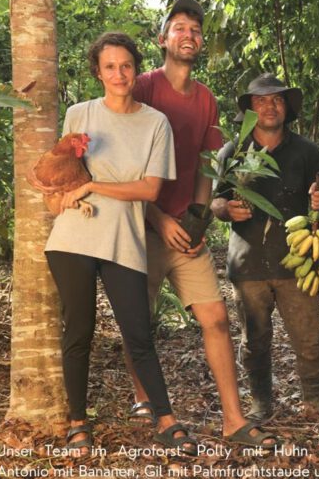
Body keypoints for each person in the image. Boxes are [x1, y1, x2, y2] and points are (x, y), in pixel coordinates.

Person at [125, 0, 276, 449]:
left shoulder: (206, 98)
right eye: (179, 27)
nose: (188, 35)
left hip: (183, 231)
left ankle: (234, 420)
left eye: (195, 29)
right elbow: (124, 161)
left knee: (214, 317)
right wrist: (156, 217)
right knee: (141, 320)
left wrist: (197, 222)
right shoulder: (145, 87)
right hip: (141, 226)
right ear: (163, 39)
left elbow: (209, 167)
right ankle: (145, 403)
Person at [44, 32, 193, 455]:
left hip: (124, 241)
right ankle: (77, 421)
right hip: (73, 236)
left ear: (135, 69)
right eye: (109, 67)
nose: (118, 74)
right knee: (79, 331)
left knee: (138, 333)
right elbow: (62, 176)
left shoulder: (154, 123)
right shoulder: (79, 113)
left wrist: (93, 184)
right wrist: (63, 192)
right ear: (98, 72)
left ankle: (165, 417)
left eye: (125, 65)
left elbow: (149, 190)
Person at [211, 74, 319, 420]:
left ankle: (314, 401)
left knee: (308, 337)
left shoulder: (307, 151)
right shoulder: (233, 152)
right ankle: (261, 401)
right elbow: (216, 203)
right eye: (261, 100)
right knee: (254, 340)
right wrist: (226, 209)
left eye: (277, 99)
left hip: (296, 261)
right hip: (248, 262)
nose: (270, 105)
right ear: (250, 108)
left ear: (286, 107)